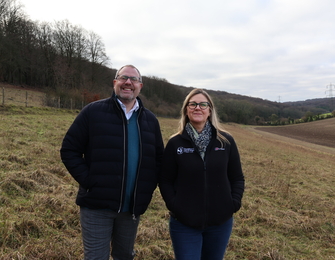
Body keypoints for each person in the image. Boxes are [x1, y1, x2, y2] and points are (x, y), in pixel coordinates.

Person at [60, 64, 164, 260]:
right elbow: (69, 150)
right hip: (96, 207)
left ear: (140, 86)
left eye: (133, 79)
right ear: (115, 82)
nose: (128, 82)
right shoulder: (93, 112)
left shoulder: (150, 120)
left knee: (124, 256)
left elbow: (158, 160)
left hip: (131, 210)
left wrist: (147, 188)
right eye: (123, 77)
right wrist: (90, 181)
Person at [159, 88, 245, 260]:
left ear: (209, 110)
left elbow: (237, 177)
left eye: (203, 104)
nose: (197, 108)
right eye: (193, 104)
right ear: (186, 110)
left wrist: (233, 203)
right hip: (184, 224)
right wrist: (175, 206)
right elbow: (165, 180)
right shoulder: (175, 143)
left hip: (220, 224)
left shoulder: (226, 141)